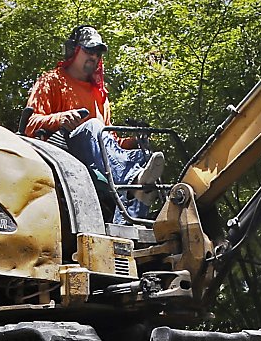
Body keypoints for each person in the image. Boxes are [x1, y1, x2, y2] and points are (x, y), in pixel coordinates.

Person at [23, 26, 163, 220]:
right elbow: (30, 124)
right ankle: (134, 181)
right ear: (74, 50)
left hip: (96, 164)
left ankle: (128, 224)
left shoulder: (100, 95)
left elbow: (110, 143)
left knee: (143, 154)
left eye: (98, 53)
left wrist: (135, 140)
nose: (94, 57)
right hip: (61, 156)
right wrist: (60, 119)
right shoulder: (51, 81)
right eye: (89, 50)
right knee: (93, 126)